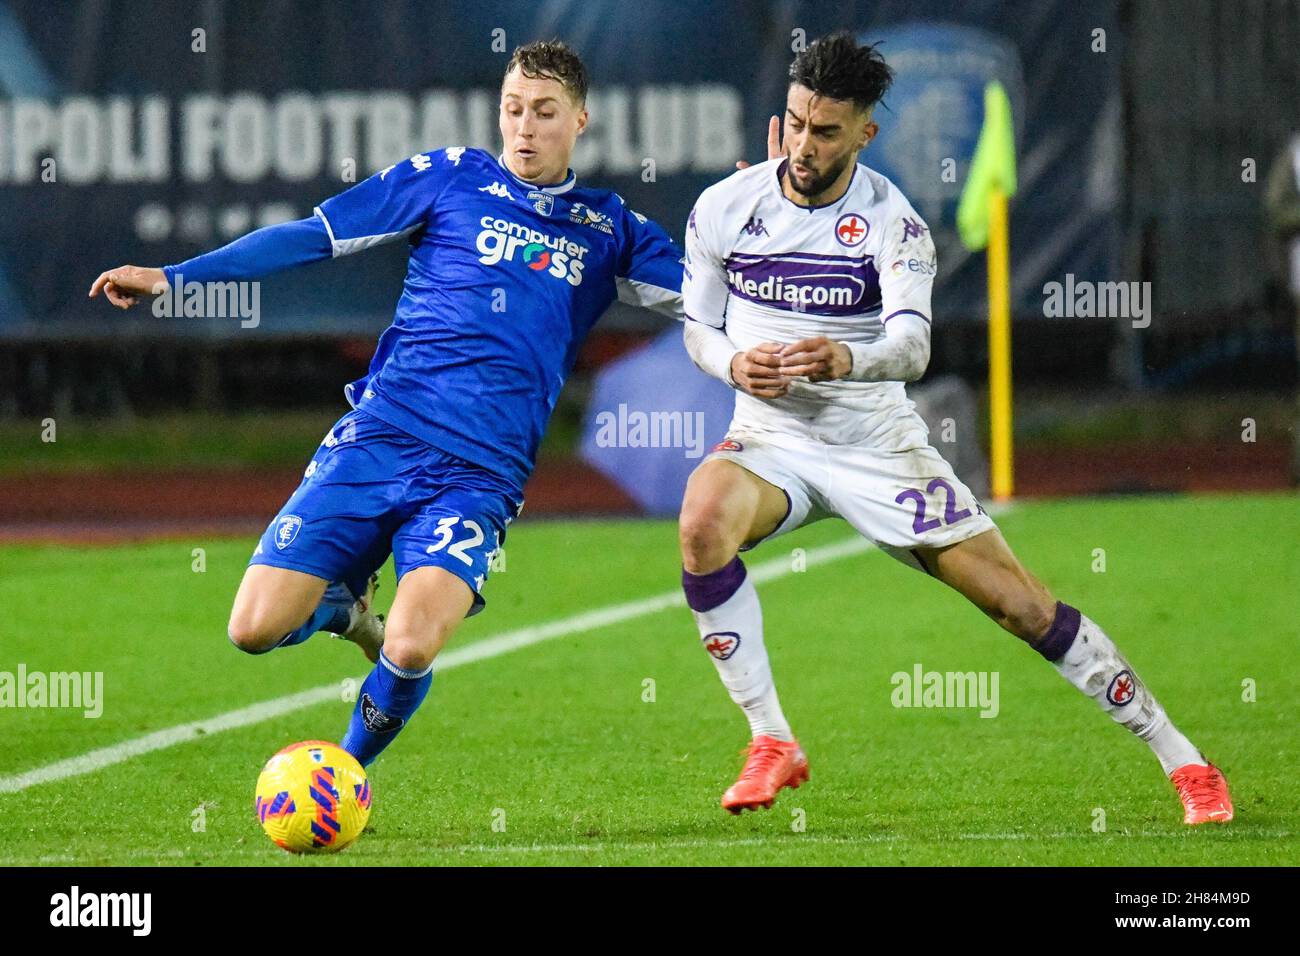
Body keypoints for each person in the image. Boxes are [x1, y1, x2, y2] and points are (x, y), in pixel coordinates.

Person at [677, 32, 1233, 825]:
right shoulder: (725, 207)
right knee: (701, 522)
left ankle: (1185, 760)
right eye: (797, 121)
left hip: (881, 448)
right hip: (771, 441)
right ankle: (772, 740)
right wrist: (732, 365)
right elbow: (698, 327)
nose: (804, 144)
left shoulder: (892, 223)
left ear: (866, 134)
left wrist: (848, 358)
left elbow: (913, 344)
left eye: (827, 130)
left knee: (1021, 608)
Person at [90, 40, 684, 769]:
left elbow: (714, 296)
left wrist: (756, 221)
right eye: (513, 109)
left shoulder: (607, 228)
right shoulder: (450, 176)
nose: (524, 127)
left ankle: (344, 773)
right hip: (381, 436)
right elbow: (316, 237)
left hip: (478, 477)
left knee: (406, 646)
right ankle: (341, 609)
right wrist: (177, 276)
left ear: (582, 120)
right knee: (251, 629)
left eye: (545, 113)